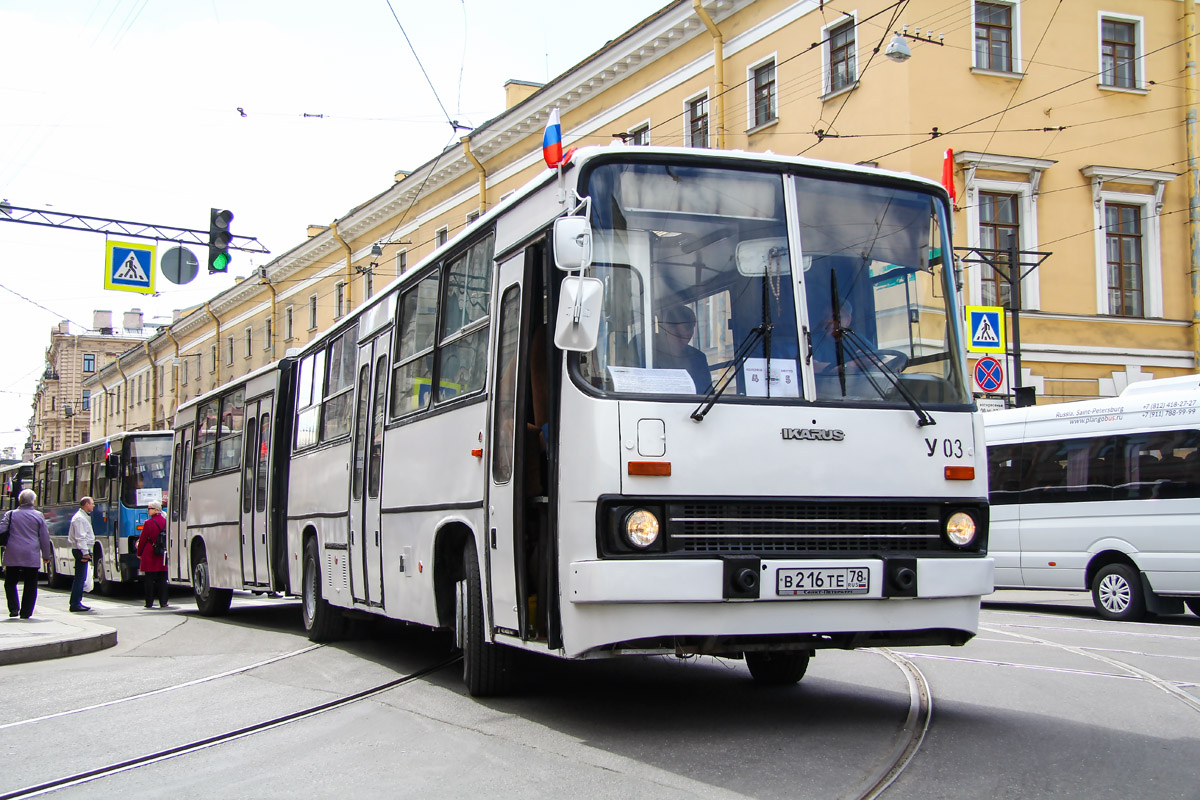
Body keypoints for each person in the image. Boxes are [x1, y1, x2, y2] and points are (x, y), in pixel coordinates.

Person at [3, 489, 53, 619]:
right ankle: (26, 612)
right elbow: (44, 537)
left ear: (20, 500)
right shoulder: (38, 515)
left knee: (10, 582)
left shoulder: (11, 514)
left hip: (13, 552)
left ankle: (14, 608)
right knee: (31, 583)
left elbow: (2, 529)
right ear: (33, 501)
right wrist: (46, 556)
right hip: (31, 553)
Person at [653, 305, 712, 393]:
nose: (684, 342)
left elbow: (707, 394)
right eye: (678, 336)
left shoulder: (699, 358)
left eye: (687, 337)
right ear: (667, 328)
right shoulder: (651, 354)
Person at [137, 500, 169, 609]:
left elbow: (142, 539)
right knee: (162, 579)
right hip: (162, 553)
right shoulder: (166, 522)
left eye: (149, 508)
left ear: (156, 510)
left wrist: (139, 552)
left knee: (149, 579)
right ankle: (163, 602)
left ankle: (149, 602)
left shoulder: (148, 523)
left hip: (150, 552)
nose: (147, 510)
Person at [67, 496, 96, 612]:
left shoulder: (83, 517)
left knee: (81, 577)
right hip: (80, 550)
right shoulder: (79, 519)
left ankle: (77, 601)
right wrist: (85, 552)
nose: (93, 505)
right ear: (86, 505)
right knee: (79, 578)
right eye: (92, 503)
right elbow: (80, 537)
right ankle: (75, 603)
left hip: (82, 549)